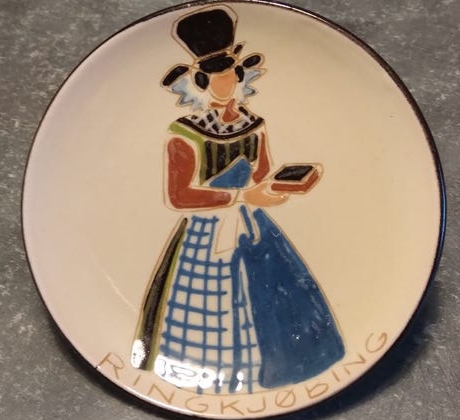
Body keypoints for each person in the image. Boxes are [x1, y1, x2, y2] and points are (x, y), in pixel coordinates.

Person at [131, 6, 344, 394]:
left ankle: (277, 371)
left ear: (240, 75)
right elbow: (180, 196)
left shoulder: (254, 126)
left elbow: (263, 177)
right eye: (216, 77)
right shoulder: (185, 132)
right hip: (205, 234)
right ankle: (214, 378)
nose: (225, 83)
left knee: (274, 297)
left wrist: (281, 188)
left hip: (253, 228)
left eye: (230, 74)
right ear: (200, 82)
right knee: (210, 307)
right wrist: (243, 195)